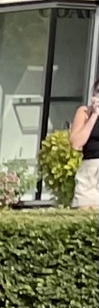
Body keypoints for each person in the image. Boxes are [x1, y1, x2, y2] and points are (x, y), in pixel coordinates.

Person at [70, 76, 99, 210]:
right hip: (90, 171)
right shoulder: (85, 112)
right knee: (84, 215)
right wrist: (94, 116)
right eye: (98, 91)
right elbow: (76, 143)